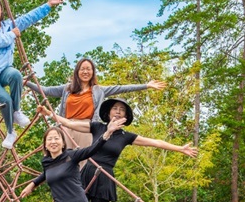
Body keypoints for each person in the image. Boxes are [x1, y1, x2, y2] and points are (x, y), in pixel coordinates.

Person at [41, 98, 197, 202]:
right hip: (87, 172)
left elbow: (155, 142)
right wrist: (49, 114)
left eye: (121, 110)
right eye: (115, 108)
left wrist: (179, 148)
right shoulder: (97, 127)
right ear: (108, 113)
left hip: (104, 179)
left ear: (125, 116)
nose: (117, 111)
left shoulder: (126, 136)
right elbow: (69, 123)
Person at [0, 0, 65, 149]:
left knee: (16, 74)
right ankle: (10, 132)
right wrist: (12, 34)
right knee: (5, 100)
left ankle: (16, 111)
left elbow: (28, 18)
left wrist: (48, 5)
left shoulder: (8, 25)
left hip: (4, 71)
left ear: (1, 9)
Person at [19, 120, 125, 202]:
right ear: (45, 144)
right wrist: (32, 184)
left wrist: (107, 133)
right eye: (49, 139)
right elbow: (46, 173)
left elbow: (91, 150)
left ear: (63, 143)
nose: (53, 142)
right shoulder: (47, 163)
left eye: (56, 138)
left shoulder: (71, 156)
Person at [27, 57, 166, 149]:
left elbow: (121, 88)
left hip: (86, 128)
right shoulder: (67, 89)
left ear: (93, 72)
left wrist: (146, 85)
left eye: (88, 69)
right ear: (77, 72)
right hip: (66, 125)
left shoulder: (99, 90)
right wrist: (27, 82)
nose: (85, 72)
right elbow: (45, 90)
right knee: (64, 161)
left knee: (83, 162)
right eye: (82, 69)